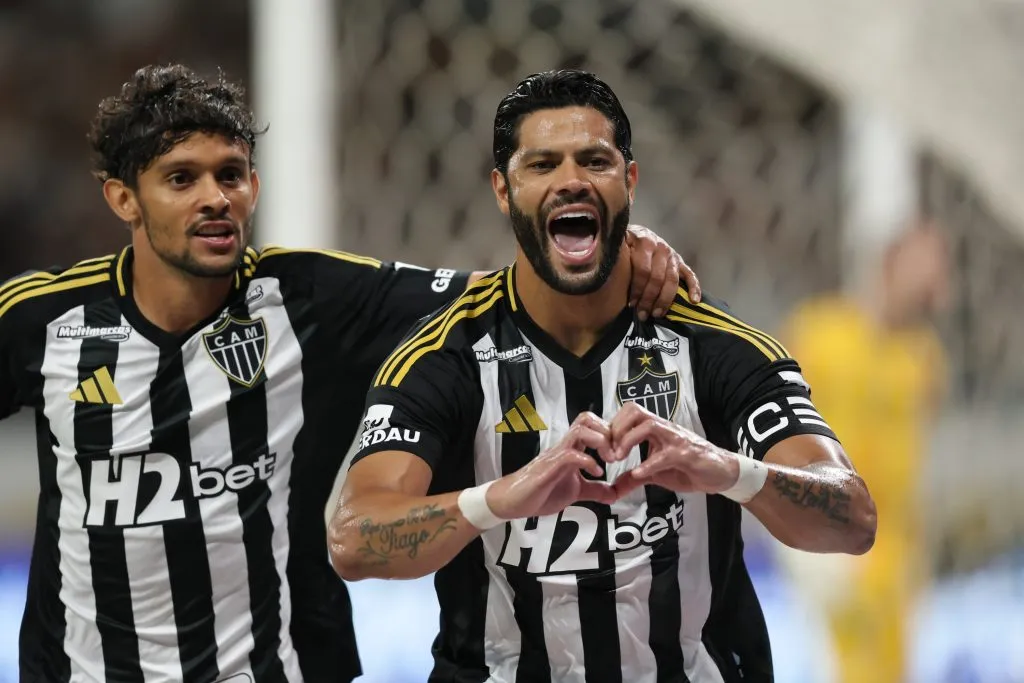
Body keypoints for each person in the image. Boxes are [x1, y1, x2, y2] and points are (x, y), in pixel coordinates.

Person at [2, 64, 699, 682]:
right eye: (182, 178)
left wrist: (617, 245)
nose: (215, 197)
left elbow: (501, 293)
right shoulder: (41, 319)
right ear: (124, 198)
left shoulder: (314, 298)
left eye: (231, 173)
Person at [330, 69, 878, 683]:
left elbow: (853, 518)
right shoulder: (445, 356)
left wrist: (727, 468)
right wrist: (499, 499)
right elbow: (353, 540)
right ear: (502, 191)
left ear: (630, 180)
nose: (570, 181)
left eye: (594, 161)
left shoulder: (715, 347)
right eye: (542, 165)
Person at [778, 220, 950, 683]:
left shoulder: (924, 357)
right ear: (891, 262)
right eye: (927, 260)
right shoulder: (820, 332)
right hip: (830, 529)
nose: (937, 276)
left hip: (895, 545)